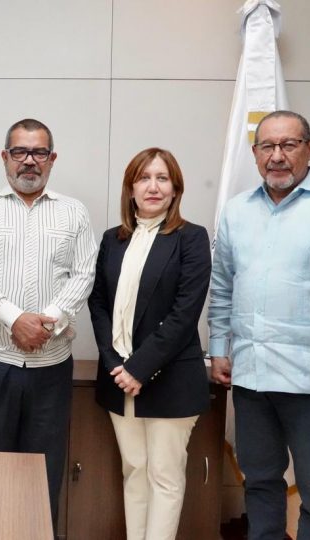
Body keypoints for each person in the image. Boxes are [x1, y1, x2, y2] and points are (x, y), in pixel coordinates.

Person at [0, 118, 97, 525]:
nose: (29, 161)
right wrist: (15, 318)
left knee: (44, 474)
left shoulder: (74, 213)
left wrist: (46, 322)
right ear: (5, 157)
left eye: (38, 153)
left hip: (50, 367)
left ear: (52, 159)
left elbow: (83, 274)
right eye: (20, 152)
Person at [88, 148, 211, 540]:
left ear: (175, 189)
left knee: (164, 475)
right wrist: (114, 364)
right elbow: (99, 304)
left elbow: (184, 313)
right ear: (131, 189)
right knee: (134, 470)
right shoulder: (113, 239)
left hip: (169, 378)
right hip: (118, 378)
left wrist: (138, 368)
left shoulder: (191, 238)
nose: (153, 186)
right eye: (144, 178)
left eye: (162, 178)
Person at [209, 110, 310, 540]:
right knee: (261, 484)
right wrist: (219, 348)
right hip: (251, 377)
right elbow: (221, 287)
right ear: (254, 155)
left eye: (288, 145)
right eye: (267, 146)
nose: (277, 156)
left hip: (309, 381)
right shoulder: (236, 212)